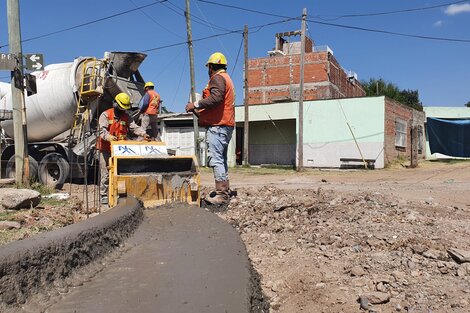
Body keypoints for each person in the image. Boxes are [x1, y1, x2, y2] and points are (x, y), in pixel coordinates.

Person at [185, 52, 235, 205]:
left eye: (209, 67)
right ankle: (225, 190)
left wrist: (196, 104)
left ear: (211, 67)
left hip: (218, 126)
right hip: (225, 124)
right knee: (222, 159)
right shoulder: (227, 78)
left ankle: (221, 194)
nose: (208, 70)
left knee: (216, 159)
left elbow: (216, 98)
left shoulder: (218, 78)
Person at [97, 92, 149, 205]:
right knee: (106, 173)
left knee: (122, 171)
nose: (123, 110)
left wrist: (143, 134)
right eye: (121, 108)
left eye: (124, 108)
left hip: (120, 148)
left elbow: (133, 127)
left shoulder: (126, 116)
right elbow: (101, 131)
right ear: (115, 104)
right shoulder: (106, 115)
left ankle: (121, 191)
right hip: (106, 148)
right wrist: (108, 137)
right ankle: (104, 194)